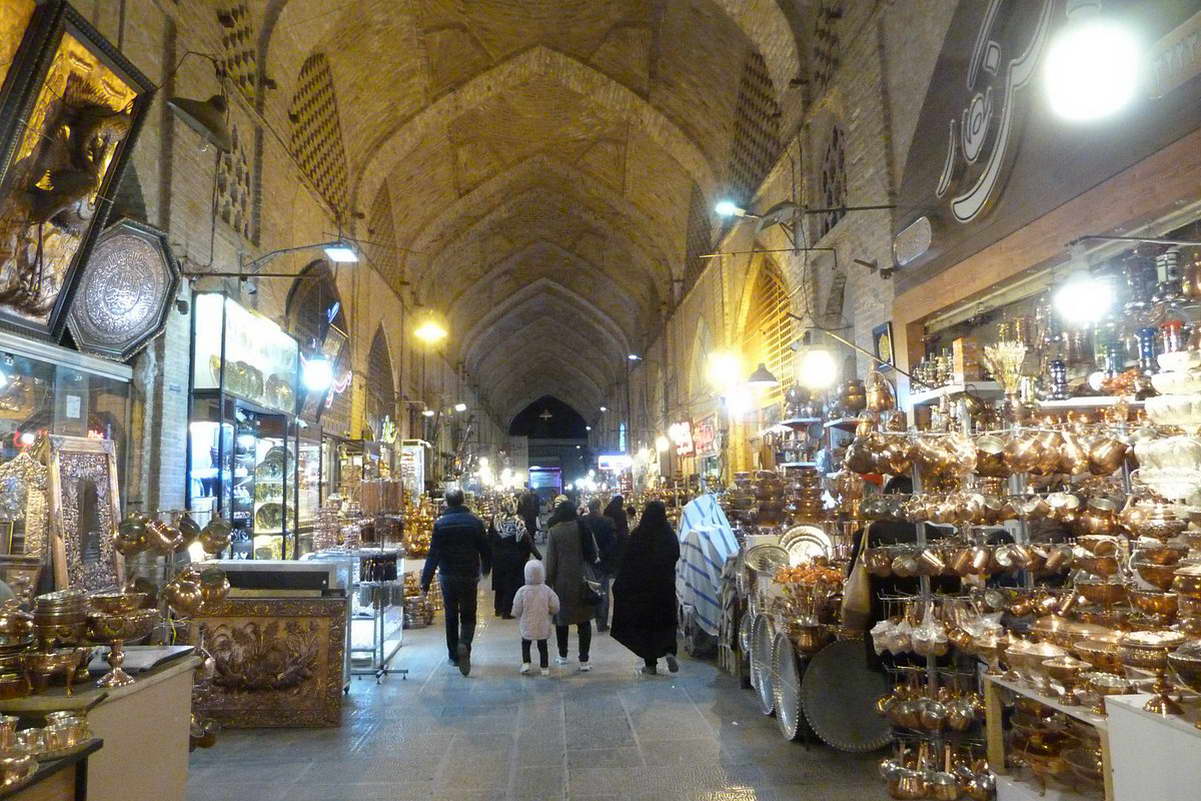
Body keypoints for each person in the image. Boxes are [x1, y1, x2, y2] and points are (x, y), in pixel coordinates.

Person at [421, 488, 491, 676]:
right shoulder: (475, 522)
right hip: (469, 574)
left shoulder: (440, 524)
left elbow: (433, 553)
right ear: (462, 501)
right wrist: (486, 568)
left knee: (451, 615)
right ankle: (465, 644)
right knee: (468, 614)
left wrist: (425, 581)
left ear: (447, 502)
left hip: (447, 574)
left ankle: (453, 655)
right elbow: (485, 548)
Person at [612, 500, 681, 675]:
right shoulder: (668, 534)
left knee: (647, 626)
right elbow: (676, 554)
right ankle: (669, 651)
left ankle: (650, 664)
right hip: (665, 587)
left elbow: (627, 561)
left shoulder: (639, 535)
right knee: (666, 620)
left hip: (644, 590)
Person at [544, 499, 596, 671]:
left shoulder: (554, 531)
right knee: (584, 620)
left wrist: (548, 581)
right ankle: (584, 660)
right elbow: (593, 551)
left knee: (562, 620)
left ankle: (563, 655)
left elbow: (551, 560)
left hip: (562, 581)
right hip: (583, 579)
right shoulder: (582, 527)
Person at [489, 497, 541, 619]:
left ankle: (498, 608)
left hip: (498, 557)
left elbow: (490, 538)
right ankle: (508, 611)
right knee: (511, 584)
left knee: (500, 584)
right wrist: (538, 555)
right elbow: (527, 539)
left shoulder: (495, 519)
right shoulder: (517, 521)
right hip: (514, 558)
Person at [511, 559, 559, 676]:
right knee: (542, 646)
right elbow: (555, 605)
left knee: (526, 643)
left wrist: (516, 614)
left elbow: (517, 606)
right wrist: (552, 612)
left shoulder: (522, 591)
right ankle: (544, 666)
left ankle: (526, 662)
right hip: (543, 625)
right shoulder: (547, 590)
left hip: (527, 624)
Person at [581, 498, 617, 631]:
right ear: (599, 507)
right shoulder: (608, 522)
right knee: (603, 591)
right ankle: (601, 622)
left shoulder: (583, 521)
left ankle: (589, 616)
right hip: (603, 562)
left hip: (588, 562)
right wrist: (602, 555)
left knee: (589, 589)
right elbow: (613, 542)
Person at [603, 495, 629, 563]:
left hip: (609, 535)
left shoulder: (607, 510)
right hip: (620, 536)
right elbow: (624, 525)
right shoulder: (622, 513)